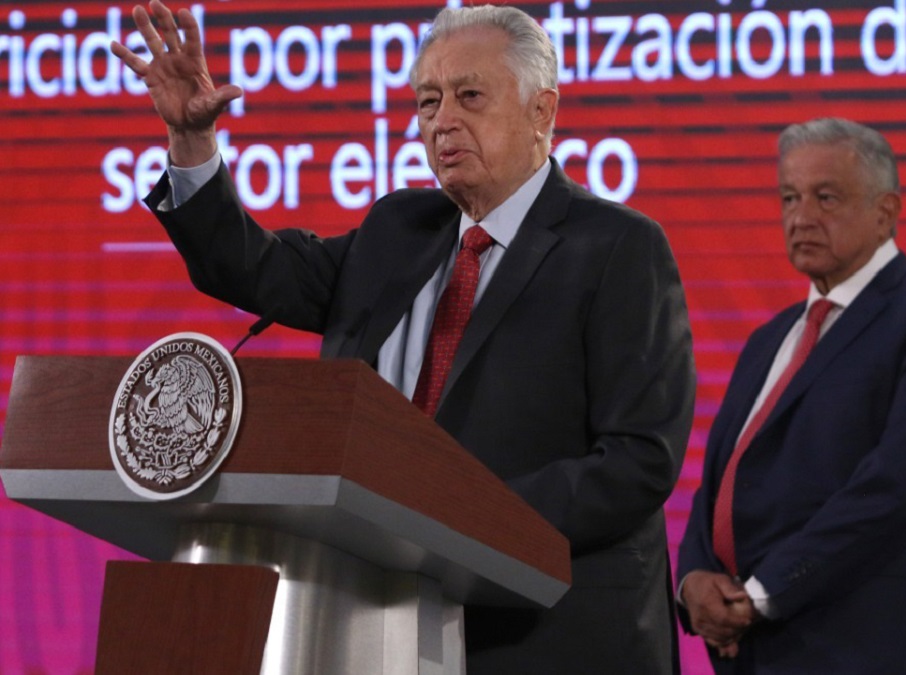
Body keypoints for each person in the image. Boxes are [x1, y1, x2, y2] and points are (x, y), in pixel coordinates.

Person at [112, 2, 695, 673]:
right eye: (427, 101)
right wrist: (191, 144)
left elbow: (637, 460)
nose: (442, 120)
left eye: (469, 96)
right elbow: (256, 268)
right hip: (372, 623)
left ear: (542, 111)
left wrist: (451, 519)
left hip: (546, 636)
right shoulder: (399, 230)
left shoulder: (618, 247)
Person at [675, 117, 906, 673]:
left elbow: (897, 484)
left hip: (864, 647)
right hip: (753, 652)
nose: (801, 218)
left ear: (885, 211)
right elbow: (721, 482)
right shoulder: (768, 338)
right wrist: (694, 577)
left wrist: (762, 593)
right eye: (790, 197)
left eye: (826, 198)